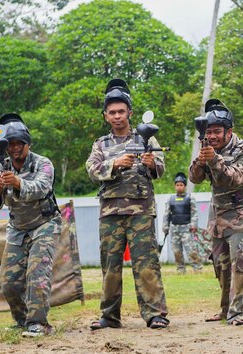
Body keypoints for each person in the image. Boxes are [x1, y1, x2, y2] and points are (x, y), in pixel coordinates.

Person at [86, 78, 169, 330]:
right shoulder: (101, 144)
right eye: (112, 112)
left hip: (141, 211)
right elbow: (92, 169)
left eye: (121, 111)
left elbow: (161, 168)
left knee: (146, 264)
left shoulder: (147, 138)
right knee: (110, 267)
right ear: (106, 116)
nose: (117, 116)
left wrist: (150, 162)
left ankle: (155, 314)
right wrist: (114, 165)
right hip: (111, 213)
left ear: (130, 113)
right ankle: (110, 317)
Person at [0, 113, 61, 337]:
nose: (16, 148)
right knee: (8, 282)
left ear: (28, 144)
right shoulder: (0, 169)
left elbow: (42, 187)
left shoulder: (42, 163)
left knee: (37, 275)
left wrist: (18, 182)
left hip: (45, 225)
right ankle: (22, 321)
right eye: (11, 144)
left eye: (20, 143)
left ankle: (39, 324)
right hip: (18, 229)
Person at [189, 99, 243, 326]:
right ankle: (225, 309)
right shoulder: (208, 149)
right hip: (218, 218)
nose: (212, 136)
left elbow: (235, 179)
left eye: (217, 132)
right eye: (208, 132)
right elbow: (194, 178)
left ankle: (238, 312)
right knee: (221, 266)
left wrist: (214, 160)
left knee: (240, 262)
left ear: (229, 132)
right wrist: (201, 162)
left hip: (241, 216)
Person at [162, 172, 202, 274]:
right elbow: (166, 214)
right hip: (174, 229)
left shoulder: (189, 198)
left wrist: (194, 225)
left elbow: (194, 212)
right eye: (177, 185)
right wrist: (165, 226)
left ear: (184, 186)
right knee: (177, 251)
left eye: (181, 185)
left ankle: (197, 268)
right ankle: (180, 269)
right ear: (175, 186)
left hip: (186, 229)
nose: (179, 187)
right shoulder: (170, 199)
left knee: (191, 250)